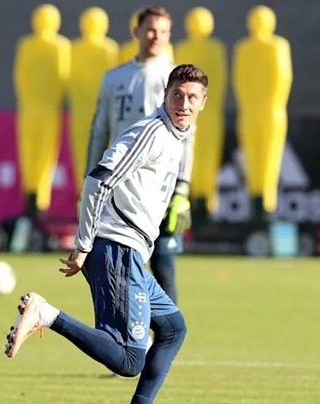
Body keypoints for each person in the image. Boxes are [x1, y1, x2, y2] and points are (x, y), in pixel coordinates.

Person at [5, 63, 209, 404]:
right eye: (177, 95)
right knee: (129, 360)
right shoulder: (151, 132)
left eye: (192, 98)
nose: (184, 103)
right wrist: (84, 243)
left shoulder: (177, 136)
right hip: (117, 245)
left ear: (203, 104)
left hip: (131, 251)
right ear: (164, 95)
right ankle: (46, 313)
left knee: (173, 328)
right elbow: (99, 178)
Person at [87, 6, 192, 304]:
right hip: (119, 185)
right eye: (150, 29)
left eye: (163, 31)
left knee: (163, 265)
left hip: (160, 186)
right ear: (136, 32)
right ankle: (128, 336)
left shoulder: (174, 80)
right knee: (119, 263)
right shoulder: (114, 78)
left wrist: (182, 188)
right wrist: (89, 177)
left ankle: (164, 340)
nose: (156, 36)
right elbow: (99, 131)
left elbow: (189, 137)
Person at [232, 5, 292, 218]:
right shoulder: (243, 48)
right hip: (250, 110)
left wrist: (271, 104)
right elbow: (240, 79)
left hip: (271, 110)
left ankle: (267, 199)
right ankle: (255, 197)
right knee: (251, 156)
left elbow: (282, 77)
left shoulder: (278, 46)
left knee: (269, 156)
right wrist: (248, 103)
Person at [13, 3, 70, 217]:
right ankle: (32, 202)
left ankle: (37, 203)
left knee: (43, 156)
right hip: (36, 109)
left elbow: (61, 78)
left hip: (41, 109)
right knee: (34, 155)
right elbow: (22, 77)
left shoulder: (58, 46)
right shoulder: (29, 45)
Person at [174, 7, 228, 219]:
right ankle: (192, 196)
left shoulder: (216, 48)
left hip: (209, 110)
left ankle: (206, 198)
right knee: (189, 154)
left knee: (208, 154)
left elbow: (220, 78)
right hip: (190, 112)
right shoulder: (182, 48)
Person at [68, 7, 119, 192]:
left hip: (91, 113)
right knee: (95, 158)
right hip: (93, 113)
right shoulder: (106, 49)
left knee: (89, 158)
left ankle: (86, 199)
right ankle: (87, 200)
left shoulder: (107, 49)